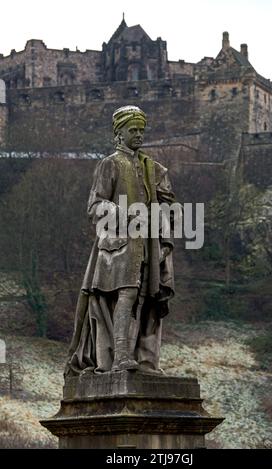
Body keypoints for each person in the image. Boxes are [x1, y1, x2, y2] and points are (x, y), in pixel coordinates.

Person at [65, 105, 176, 376]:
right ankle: (120, 357)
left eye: (141, 130)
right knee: (126, 294)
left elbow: (169, 208)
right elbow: (95, 205)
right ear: (119, 133)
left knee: (145, 299)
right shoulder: (110, 163)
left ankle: (144, 360)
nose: (138, 134)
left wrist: (162, 239)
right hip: (118, 246)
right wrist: (126, 216)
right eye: (133, 130)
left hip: (147, 245)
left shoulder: (154, 169)